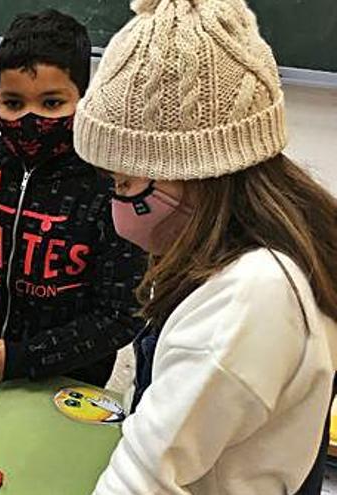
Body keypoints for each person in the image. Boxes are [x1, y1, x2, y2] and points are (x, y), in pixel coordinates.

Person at [73, 0, 337, 492]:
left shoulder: (250, 298)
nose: (116, 207)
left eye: (126, 185)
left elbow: (141, 480)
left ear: (197, 177)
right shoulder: (272, 248)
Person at [0, 10, 146, 392]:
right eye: (14, 104)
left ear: (84, 100)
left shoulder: (109, 189)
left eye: (51, 104)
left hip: (64, 384)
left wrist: (20, 359)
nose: (31, 119)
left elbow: (121, 315)